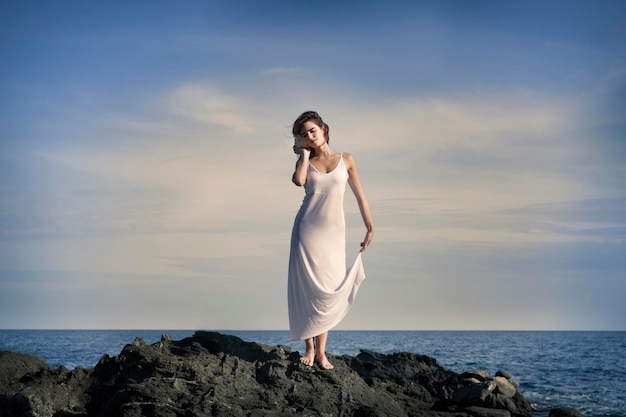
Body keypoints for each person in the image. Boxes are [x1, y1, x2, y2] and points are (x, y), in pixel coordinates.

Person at [288, 111, 374, 370]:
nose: (310, 137)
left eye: (312, 131)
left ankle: (323, 351)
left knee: (328, 288)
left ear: (323, 129)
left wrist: (370, 227)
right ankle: (310, 348)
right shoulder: (305, 160)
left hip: (334, 234)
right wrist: (303, 155)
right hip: (306, 231)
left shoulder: (345, 159)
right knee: (307, 289)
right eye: (303, 135)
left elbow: (360, 196)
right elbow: (298, 181)